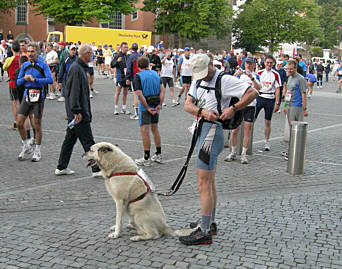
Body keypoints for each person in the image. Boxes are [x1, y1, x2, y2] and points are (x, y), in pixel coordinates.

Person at [178, 54, 258, 245]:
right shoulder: (199, 81)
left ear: (211, 66)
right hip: (202, 127)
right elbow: (187, 105)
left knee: (203, 183)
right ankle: (209, 223)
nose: (203, 77)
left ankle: (204, 231)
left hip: (212, 132)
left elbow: (253, 92)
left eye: (205, 73)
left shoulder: (225, 79)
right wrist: (202, 111)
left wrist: (233, 108)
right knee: (209, 181)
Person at [55, 44, 102, 177]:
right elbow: (74, 91)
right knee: (88, 141)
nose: (92, 55)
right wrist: (76, 111)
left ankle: (61, 166)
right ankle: (96, 169)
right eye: (91, 53)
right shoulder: (76, 69)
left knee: (69, 140)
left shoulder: (79, 67)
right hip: (78, 113)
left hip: (77, 112)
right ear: (85, 53)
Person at [16, 42, 53, 162]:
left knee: (37, 123)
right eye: (29, 51)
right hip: (27, 95)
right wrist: (24, 79)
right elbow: (18, 82)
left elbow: (50, 79)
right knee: (19, 122)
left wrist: (36, 79)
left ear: (37, 52)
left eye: (33, 51)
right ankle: (26, 146)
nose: (30, 54)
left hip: (38, 96)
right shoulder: (25, 65)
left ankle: (37, 150)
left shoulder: (43, 65)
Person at [224, 57, 261, 164]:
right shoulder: (240, 75)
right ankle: (233, 152)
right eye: (247, 63)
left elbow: (259, 88)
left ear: (254, 65)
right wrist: (235, 75)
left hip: (251, 105)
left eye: (251, 64)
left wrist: (252, 78)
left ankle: (244, 154)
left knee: (247, 130)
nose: (248, 66)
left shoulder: (256, 75)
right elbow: (229, 84)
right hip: (238, 105)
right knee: (234, 130)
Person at [133, 56, 165, 166]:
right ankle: (158, 154)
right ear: (148, 64)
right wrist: (159, 104)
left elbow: (139, 93)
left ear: (138, 66)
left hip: (145, 107)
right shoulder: (156, 74)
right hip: (155, 104)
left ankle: (146, 158)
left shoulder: (138, 76)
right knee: (155, 129)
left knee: (145, 131)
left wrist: (146, 107)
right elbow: (162, 90)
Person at [282, 60, 308, 159]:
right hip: (289, 105)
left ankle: (294, 151)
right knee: (291, 129)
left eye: (291, 69)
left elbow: (303, 93)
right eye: (288, 69)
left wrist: (304, 108)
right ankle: (291, 149)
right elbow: (287, 92)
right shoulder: (289, 78)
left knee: (295, 129)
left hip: (297, 106)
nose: (289, 70)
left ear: (295, 68)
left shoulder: (300, 79)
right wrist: (284, 105)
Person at [255, 55, 281, 151]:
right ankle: (248, 139)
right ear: (264, 62)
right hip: (260, 97)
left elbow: (278, 89)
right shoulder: (259, 72)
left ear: (273, 63)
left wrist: (277, 103)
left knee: (268, 121)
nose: (269, 64)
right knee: (252, 119)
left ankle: (266, 141)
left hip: (270, 98)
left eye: (271, 63)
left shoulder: (275, 74)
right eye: (267, 62)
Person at [3, 40, 20, 130]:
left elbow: (4, 67)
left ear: (12, 49)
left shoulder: (10, 59)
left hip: (13, 82)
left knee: (14, 103)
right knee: (21, 102)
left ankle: (16, 122)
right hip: (21, 82)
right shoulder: (22, 58)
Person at [112, 42, 131, 115]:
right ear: (121, 48)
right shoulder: (117, 56)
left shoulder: (128, 56)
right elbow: (112, 65)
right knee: (118, 92)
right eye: (125, 47)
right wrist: (117, 61)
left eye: (127, 47)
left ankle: (124, 108)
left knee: (125, 93)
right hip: (120, 77)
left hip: (126, 77)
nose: (126, 48)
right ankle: (116, 109)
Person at [125, 42, 140, 120]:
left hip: (134, 77)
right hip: (141, 76)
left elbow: (129, 68)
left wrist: (127, 78)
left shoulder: (131, 57)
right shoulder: (140, 56)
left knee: (135, 95)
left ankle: (136, 114)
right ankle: (141, 112)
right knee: (141, 94)